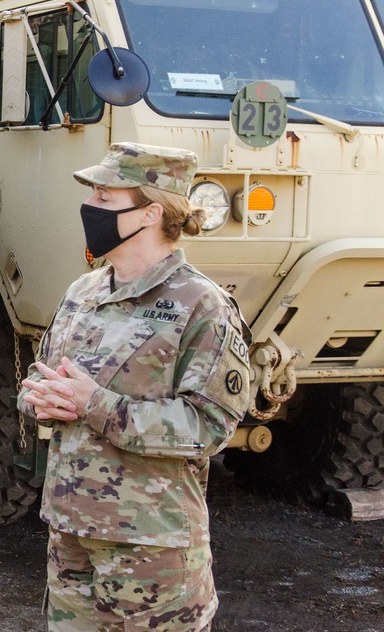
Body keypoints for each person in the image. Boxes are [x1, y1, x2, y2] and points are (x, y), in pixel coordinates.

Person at [18, 142, 251, 631]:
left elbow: (209, 426)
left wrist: (94, 405)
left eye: (105, 197)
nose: (90, 208)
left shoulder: (201, 304)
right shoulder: (83, 291)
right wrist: (39, 400)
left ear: (149, 212)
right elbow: (42, 378)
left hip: (153, 546)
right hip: (70, 532)